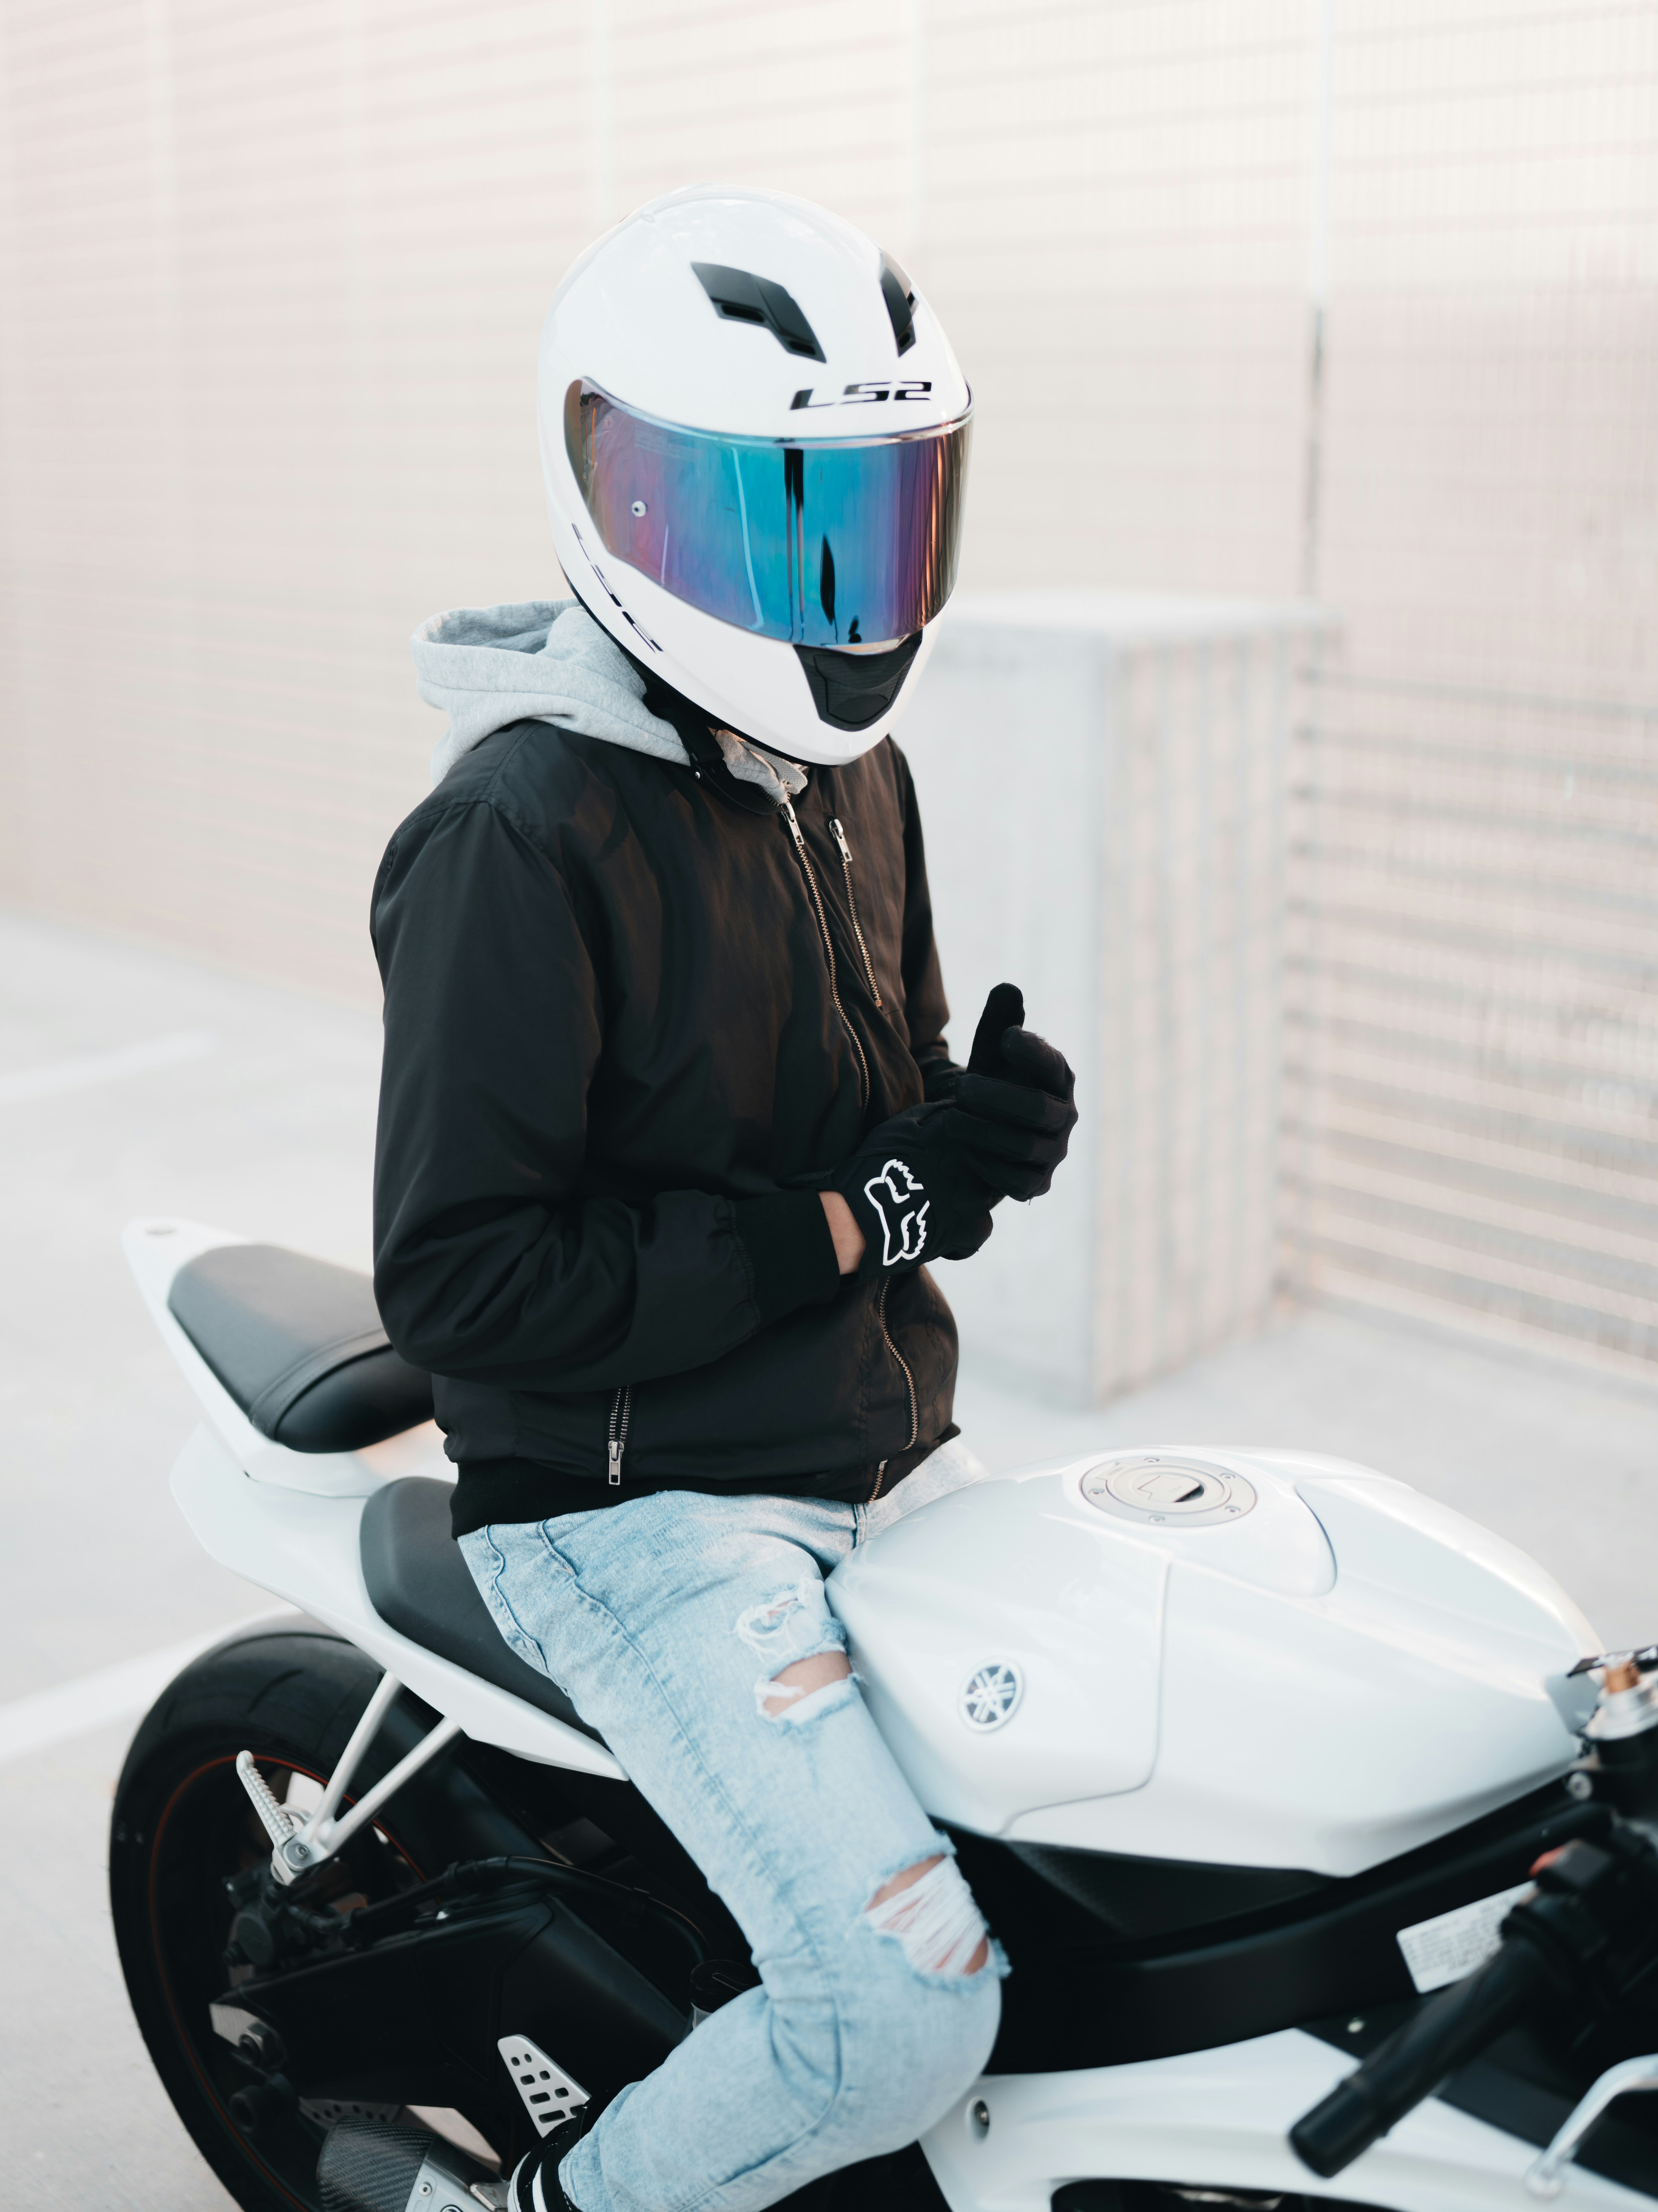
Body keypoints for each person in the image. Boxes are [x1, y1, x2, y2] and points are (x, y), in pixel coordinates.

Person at [370, 185, 1077, 2212]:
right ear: (615, 494)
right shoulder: (514, 830)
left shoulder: (854, 771)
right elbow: (466, 1289)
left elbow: (867, 1129)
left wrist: (970, 1140)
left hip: (858, 1431)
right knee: (901, 2014)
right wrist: (868, 1213)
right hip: (624, 1509)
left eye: (870, 522)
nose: (837, 597)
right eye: (774, 526)